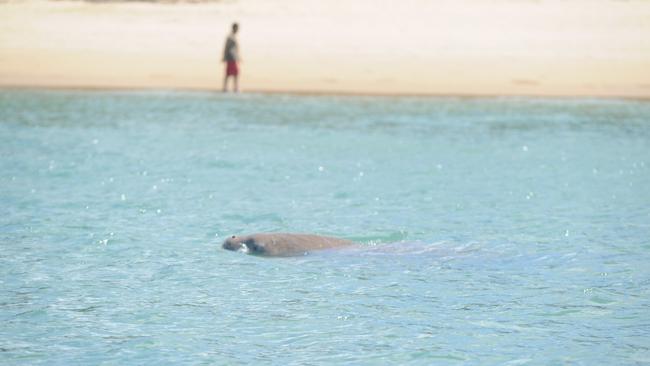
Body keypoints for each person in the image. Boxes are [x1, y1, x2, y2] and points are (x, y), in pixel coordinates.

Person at [222, 23, 240, 92]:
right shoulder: (230, 37)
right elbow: (227, 47)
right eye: (237, 28)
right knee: (231, 73)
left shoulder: (233, 36)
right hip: (231, 57)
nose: (237, 30)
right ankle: (227, 88)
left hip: (233, 57)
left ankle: (233, 88)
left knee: (233, 73)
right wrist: (225, 56)